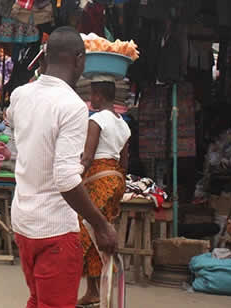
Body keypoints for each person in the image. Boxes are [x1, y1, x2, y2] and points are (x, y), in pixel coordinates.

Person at [6, 27, 118, 308]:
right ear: (79, 59)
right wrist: (101, 225)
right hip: (54, 230)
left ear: (45, 57)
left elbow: (11, 128)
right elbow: (66, 179)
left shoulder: (20, 95)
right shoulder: (72, 106)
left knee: (37, 299)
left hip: (23, 222)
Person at [77, 78, 130, 307]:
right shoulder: (124, 124)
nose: (91, 100)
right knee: (101, 230)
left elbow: (87, 156)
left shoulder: (96, 119)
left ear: (99, 95)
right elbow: (125, 162)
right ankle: (97, 289)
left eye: (92, 95)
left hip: (99, 178)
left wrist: (76, 178)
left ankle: (94, 289)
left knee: (88, 231)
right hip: (116, 180)